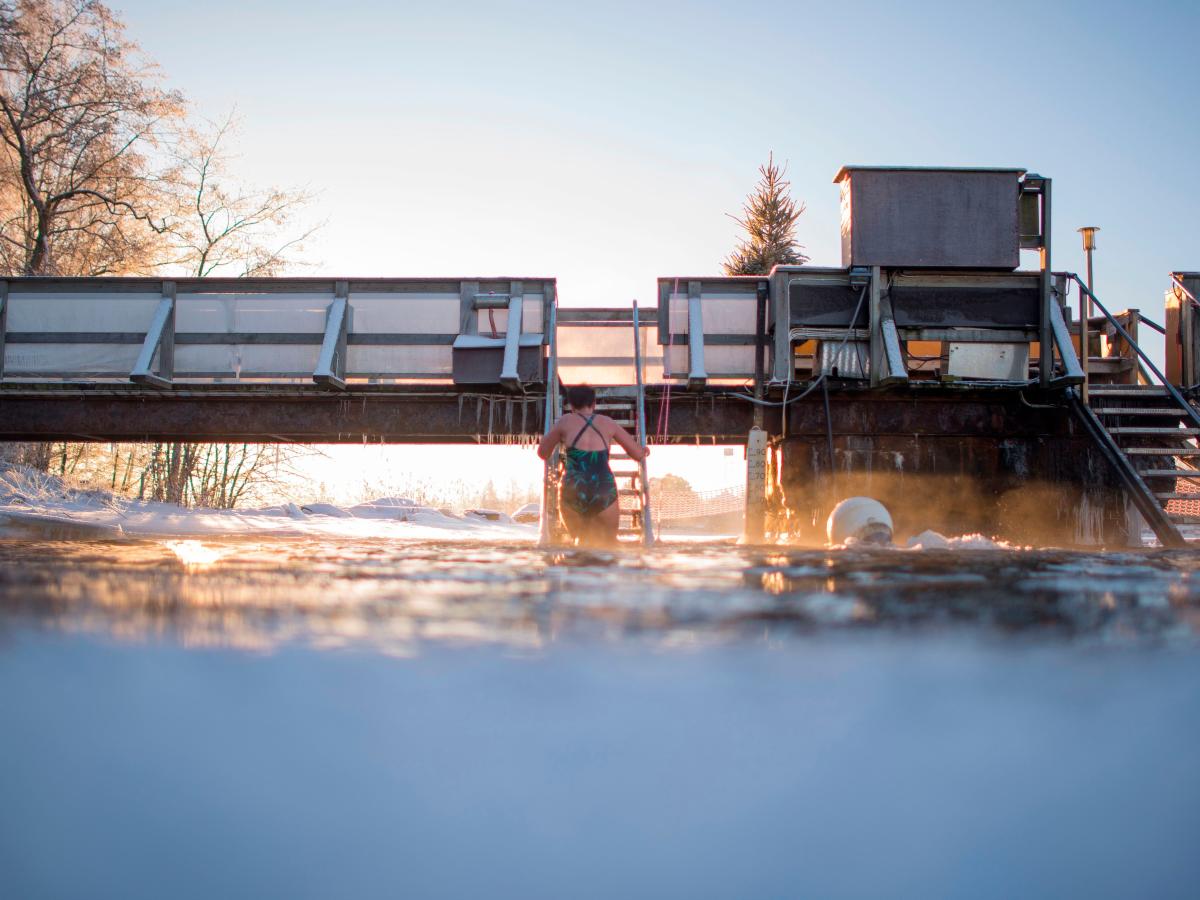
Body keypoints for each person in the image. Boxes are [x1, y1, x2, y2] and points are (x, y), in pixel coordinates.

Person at [538, 385, 649, 546]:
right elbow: (637, 454)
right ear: (594, 403)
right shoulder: (608, 423)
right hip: (603, 488)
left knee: (578, 543)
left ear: (571, 405)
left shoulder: (565, 422)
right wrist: (644, 450)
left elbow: (543, 453)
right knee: (610, 544)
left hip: (573, 488)